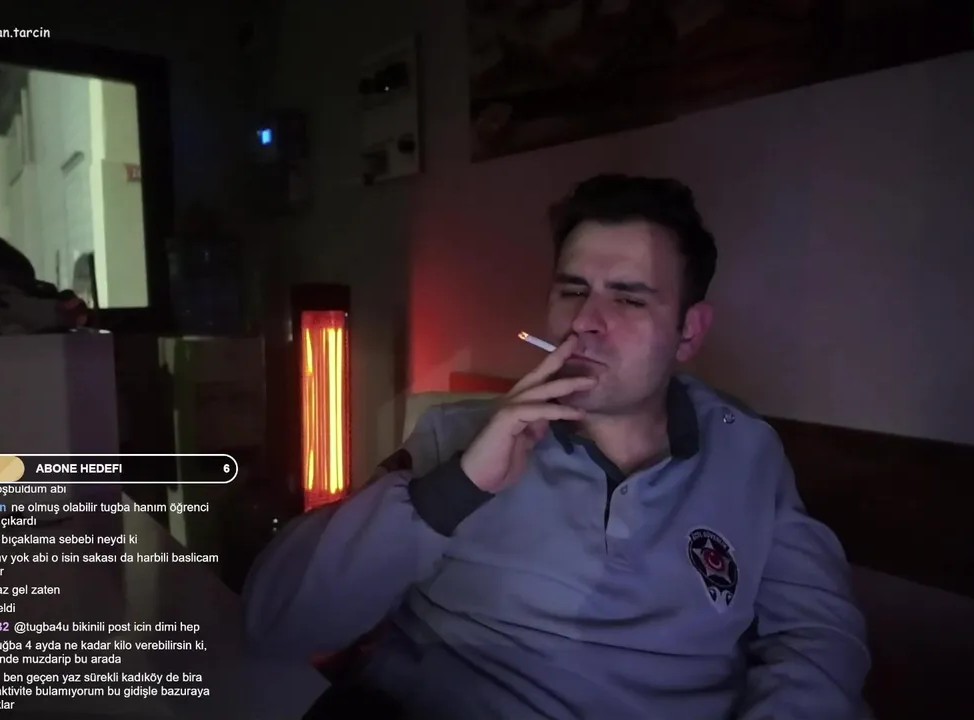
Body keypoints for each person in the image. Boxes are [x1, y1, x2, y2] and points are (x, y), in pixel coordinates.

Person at [244, 174, 871, 719]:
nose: (584, 321)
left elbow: (818, 636)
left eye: (628, 297)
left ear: (689, 332)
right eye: (572, 290)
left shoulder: (748, 454)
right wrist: (458, 487)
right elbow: (276, 620)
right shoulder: (456, 437)